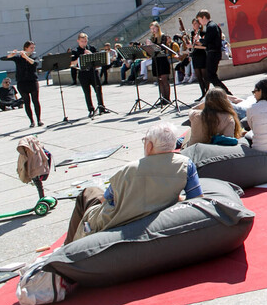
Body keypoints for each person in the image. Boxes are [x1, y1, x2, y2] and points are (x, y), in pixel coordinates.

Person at [65, 122, 203, 244]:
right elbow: (196, 198)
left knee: (88, 193)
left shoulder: (129, 169)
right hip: (153, 216)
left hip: (115, 220)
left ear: (149, 146)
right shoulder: (186, 165)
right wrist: (173, 198)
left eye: (144, 141)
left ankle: (67, 247)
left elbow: (106, 199)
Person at [3, 41, 43, 125]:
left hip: (32, 81)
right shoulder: (18, 57)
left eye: (33, 48)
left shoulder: (34, 56)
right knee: (27, 102)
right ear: (25, 48)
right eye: (31, 48)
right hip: (22, 82)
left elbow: (35, 63)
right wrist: (11, 55)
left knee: (35, 101)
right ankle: (32, 121)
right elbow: (2, 58)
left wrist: (26, 57)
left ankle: (39, 120)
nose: (33, 49)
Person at [195, 9, 231, 95]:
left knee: (211, 75)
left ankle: (226, 94)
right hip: (214, 52)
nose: (199, 22)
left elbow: (207, 41)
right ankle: (225, 94)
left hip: (213, 53)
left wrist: (199, 39)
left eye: (199, 19)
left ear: (204, 17)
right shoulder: (213, 25)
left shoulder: (211, 26)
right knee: (211, 75)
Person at [71, 32, 107, 118]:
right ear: (78, 41)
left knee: (98, 90)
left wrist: (91, 54)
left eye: (85, 41)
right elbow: (72, 63)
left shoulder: (91, 48)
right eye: (82, 41)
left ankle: (101, 107)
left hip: (93, 72)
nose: (84, 43)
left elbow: (99, 59)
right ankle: (91, 109)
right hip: (83, 73)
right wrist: (81, 58)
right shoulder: (75, 51)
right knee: (87, 92)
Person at [145, 22, 178, 104]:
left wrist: (152, 44)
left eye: (154, 28)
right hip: (155, 60)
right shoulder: (152, 38)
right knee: (159, 80)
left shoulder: (163, 36)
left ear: (158, 28)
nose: (153, 30)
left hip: (162, 59)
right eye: (151, 29)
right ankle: (162, 98)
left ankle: (167, 98)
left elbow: (162, 48)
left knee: (164, 79)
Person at [190, 17, 209, 97]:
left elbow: (204, 46)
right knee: (199, 76)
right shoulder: (192, 34)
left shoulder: (203, 33)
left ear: (199, 24)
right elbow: (191, 45)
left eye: (196, 23)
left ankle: (207, 93)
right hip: (195, 56)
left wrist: (197, 43)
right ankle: (203, 93)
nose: (194, 25)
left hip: (202, 55)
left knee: (205, 75)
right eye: (193, 24)